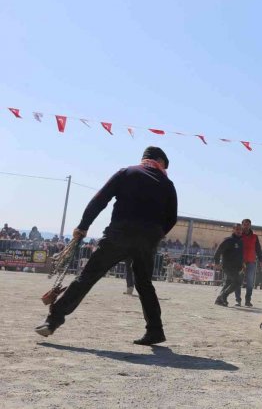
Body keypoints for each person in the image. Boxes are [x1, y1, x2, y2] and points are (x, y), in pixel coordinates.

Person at [34, 146, 178, 346]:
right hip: (147, 240)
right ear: (160, 161)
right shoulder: (167, 183)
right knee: (144, 284)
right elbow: (172, 218)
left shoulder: (126, 172)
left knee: (87, 277)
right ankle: (155, 331)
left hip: (119, 235)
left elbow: (100, 200)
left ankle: (53, 320)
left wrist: (83, 226)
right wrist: (155, 235)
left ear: (144, 159)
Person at [235, 219, 262, 307]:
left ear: (250, 225)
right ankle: (238, 300)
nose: (246, 226)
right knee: (238, 281)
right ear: (242, 225)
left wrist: (261, 260)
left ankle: (248, 301)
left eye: (248, 224)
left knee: (250, 282)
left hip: (251, 262)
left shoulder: (255, 237)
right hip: (240, 262)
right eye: (244, 224)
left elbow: (258, 249)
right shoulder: (238, 235)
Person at [214, 224, 244, 306]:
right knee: (238, 281)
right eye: (237, 229)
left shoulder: (241, 241)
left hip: (237, 267)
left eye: (240, 230)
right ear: (233, 230)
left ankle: (219, 300)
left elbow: (240, 255)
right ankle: (223, 296)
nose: (239, 231)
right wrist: (216, 262)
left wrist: (242, 265)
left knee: (228, 283)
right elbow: (218, 251)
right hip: (228, 266)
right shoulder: (228, 240)